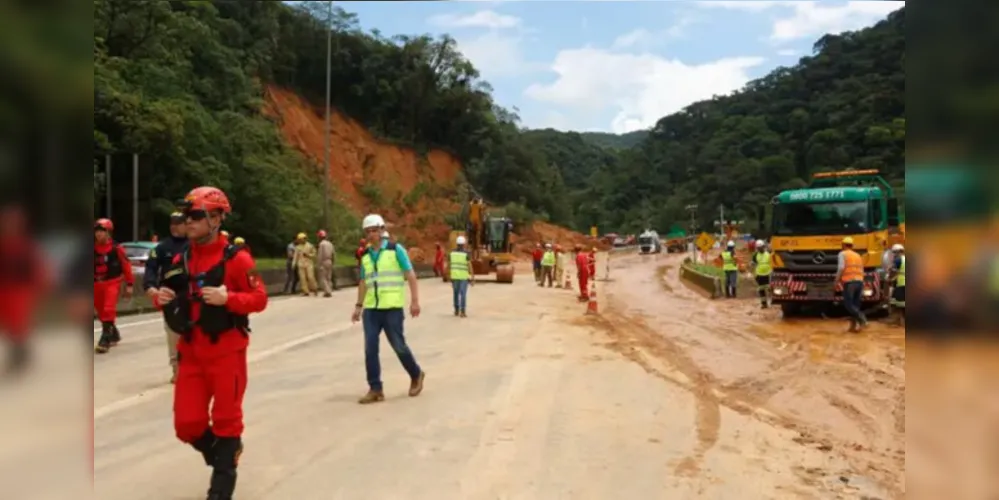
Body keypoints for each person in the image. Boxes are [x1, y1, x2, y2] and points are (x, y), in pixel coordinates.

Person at [155, 186, 267, 499]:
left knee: (226, 420)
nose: (186, 222)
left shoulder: (237, 259)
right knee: (186, 425)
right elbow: (174, 295)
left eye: (195, 216)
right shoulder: (183, 258)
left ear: (216, 218)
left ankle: (220, 489)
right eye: (184, 216)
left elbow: (259, 299)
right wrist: (162, 298)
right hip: (191, 352)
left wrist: (228, 298)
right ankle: (223, 452)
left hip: (226, 352)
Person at [351, 214, 425, 404]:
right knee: (370, 349)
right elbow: (363, 282)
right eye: (368, 231)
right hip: (372, 310)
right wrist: (358, 306)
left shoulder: (395, 250)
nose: (371, 235)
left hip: (392, 308)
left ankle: (416, 374)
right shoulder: (366, 256)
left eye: (374, 230)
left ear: (382, 230)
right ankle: (375, 388)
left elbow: (410, 274)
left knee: (399, 346)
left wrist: (415, 301)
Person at [0, 205, 49, 374]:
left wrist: (40, 286)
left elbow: (37, 267)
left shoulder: (26, 246)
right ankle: (18, 351)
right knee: (8, 324)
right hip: (4, 289)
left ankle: (20, 354)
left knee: (19, 324)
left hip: (22, 290)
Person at [143, 211, 188, 382]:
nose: (175, 227)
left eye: (179, 223)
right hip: (170, 295)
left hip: (191, 293)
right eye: (172, 223)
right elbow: (151, 269)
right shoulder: (162, 248)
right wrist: (150, 287)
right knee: (173, 332)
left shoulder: (194, 244)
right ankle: (177, 368)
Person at [94, 218, 134, 354]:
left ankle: (105, 338)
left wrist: (129, 284)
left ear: (108, 233)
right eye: (97, 231)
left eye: (102, 231)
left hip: (112, 281)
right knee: (100, 311)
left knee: (108, 308)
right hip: (96, 284)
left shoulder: (117, 249)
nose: (99, 234)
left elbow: (126, 266)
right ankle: (113, 332)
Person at [835, 236, 868, 332]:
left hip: (850, 282)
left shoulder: (842, 254)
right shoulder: (857, 255)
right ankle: (854, 326)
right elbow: (862, 269)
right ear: (852, 245)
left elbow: (841, 268)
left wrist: (836, 280)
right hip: (859, 282)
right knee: (855, 305)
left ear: (844, 245)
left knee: (849, 304)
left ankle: (862, 319)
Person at [449, 235, 474, 317]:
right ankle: (462, 311)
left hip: (454, 277)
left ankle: (456, 310)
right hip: (463, 277)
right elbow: (469, 266)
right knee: (463, 294)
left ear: (457, 244)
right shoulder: (466, 254)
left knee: (455, 293)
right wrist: (472, 277)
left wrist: (449, 275)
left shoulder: (452, 253)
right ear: (464, 244)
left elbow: (450, 264)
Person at [293, 232, 318, 296]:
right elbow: (295, 256)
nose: (301, 240)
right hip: (301, 264)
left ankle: (315, 288)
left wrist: (308, 255)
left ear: (305, 239)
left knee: (310, 277)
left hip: (309, 264)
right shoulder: (297, 247)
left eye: (302, 239)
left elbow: (314, 254)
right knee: (302, 278)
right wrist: (293, 264)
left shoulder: (310, 246)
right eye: (300, 239)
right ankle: (305, 291)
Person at [751, 239, 772, 309]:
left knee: (770, 288)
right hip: (759, 275)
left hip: (768, 274)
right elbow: (753, 264)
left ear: (763, 246)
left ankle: (773, 300)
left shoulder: (768, 254)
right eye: (758, 248)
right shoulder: (755, 255)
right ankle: (764, 304)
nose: (760, 249)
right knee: (761, 289)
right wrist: (753, 274)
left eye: (761, 247)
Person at [888, 244, 905, 326]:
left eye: (895, 252)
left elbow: (893, 271)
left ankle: (900, 321)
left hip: (901, 283)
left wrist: (889, 278)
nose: (894, 254)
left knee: (898, 303)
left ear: (898, 252)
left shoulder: (898, 260)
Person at [316, 230, 337, 297]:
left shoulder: (321, 244)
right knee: (329, 277)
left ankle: (327, 291)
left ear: (320, 237)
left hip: (323, 261)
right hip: (330, 261)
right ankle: (329, 290)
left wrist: (319, 264)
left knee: (323, 277)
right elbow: (333, 253)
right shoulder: (330, 243)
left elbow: (320, 255)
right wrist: (333, 262)